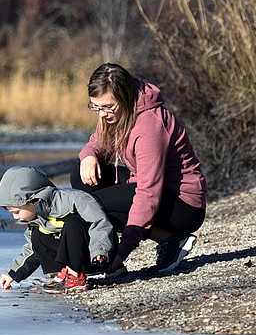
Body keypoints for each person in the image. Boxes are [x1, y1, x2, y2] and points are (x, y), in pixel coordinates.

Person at [71, 62, 206, 276]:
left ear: (124, 98)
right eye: (95, 107)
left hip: (183, 205)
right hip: (153, 188)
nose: (102, 114)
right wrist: (88, 156)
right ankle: (168, 241)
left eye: (108, 107)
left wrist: (121, 254)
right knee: (81, 176)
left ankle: (114, 256)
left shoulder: (149, 125)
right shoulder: (115, 114)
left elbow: (148, 192)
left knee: (92, 206)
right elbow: (97, 144)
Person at [0, 165, 115, 293]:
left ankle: (75, 278)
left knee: (73, 223)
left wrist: (100, 250)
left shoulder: (74, 200)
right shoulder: (37, 220)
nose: (15, 217)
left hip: (98, 258)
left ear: (32, 199)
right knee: (37, 236)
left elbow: (99, 222)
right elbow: (31, 250)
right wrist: (12, 274)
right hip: (74, 264)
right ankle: (63, 275)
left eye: (17, 211)